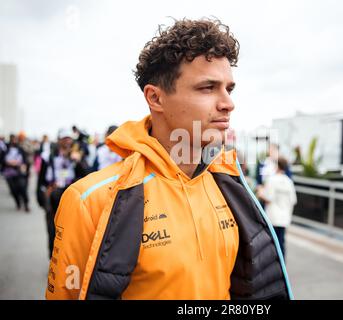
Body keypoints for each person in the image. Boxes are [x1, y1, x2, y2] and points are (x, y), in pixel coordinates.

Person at [45, 18, 292, 300]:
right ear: (156, 98)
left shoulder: (230, 185)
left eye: (229, 88)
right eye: (207, 87)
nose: (228, 103)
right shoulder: (89, 200)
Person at [37, 128, 91, 258]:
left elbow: (88, 175)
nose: (67, 141)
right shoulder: (48, 155)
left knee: (71, 229)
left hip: (71, 195)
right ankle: (53, 258)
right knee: (52, 229)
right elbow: (41, 180)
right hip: (53, 195)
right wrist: (42, 200)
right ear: (59, 140)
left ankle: (68, 257)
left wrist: (78, 160)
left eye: (69, 138)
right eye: (64, 138)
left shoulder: (76, 154)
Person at [257, 157, 297, 258]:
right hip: (284, 217)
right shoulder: (289, 181)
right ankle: (282, 266)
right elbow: (293, 200)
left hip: (272, 217)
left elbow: (268, 197)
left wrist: (260, 193)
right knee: (281, 242)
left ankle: (274, 266)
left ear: (277, 166)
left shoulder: (271, 180)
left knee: (272, 242)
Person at [2, 134, 30, 212]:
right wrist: (9, 163)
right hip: (9, 173)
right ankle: (18, 203)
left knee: (22, 188)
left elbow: (25, 160)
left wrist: (24, 167)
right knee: (13, 190)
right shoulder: (6, 150)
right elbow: (2, 161)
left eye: (15, 139)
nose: (14, 141)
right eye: (12, 139)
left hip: (19, 172)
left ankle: (26, 204)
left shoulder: (20, 149)